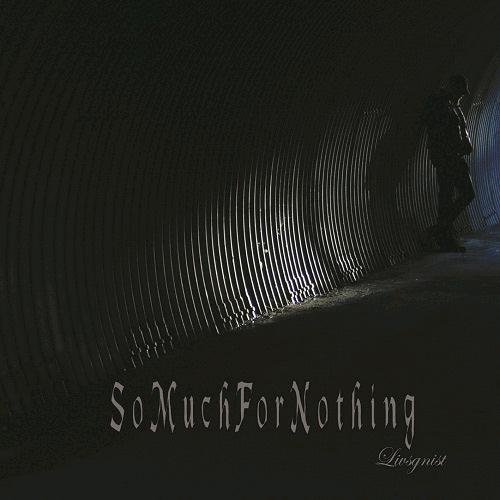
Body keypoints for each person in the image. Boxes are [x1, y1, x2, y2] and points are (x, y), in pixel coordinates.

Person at [422, 74, 475, 252]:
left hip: (453, 156)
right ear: (452, 88)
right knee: (452, 195)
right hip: (446, 157)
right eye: (460, 92)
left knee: (457, 195)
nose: (462, 96)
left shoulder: (453, 105)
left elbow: (461, 127)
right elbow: (437, 131)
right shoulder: (439, 103)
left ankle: (441, 232)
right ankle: (442, 233)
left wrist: (465, 143)